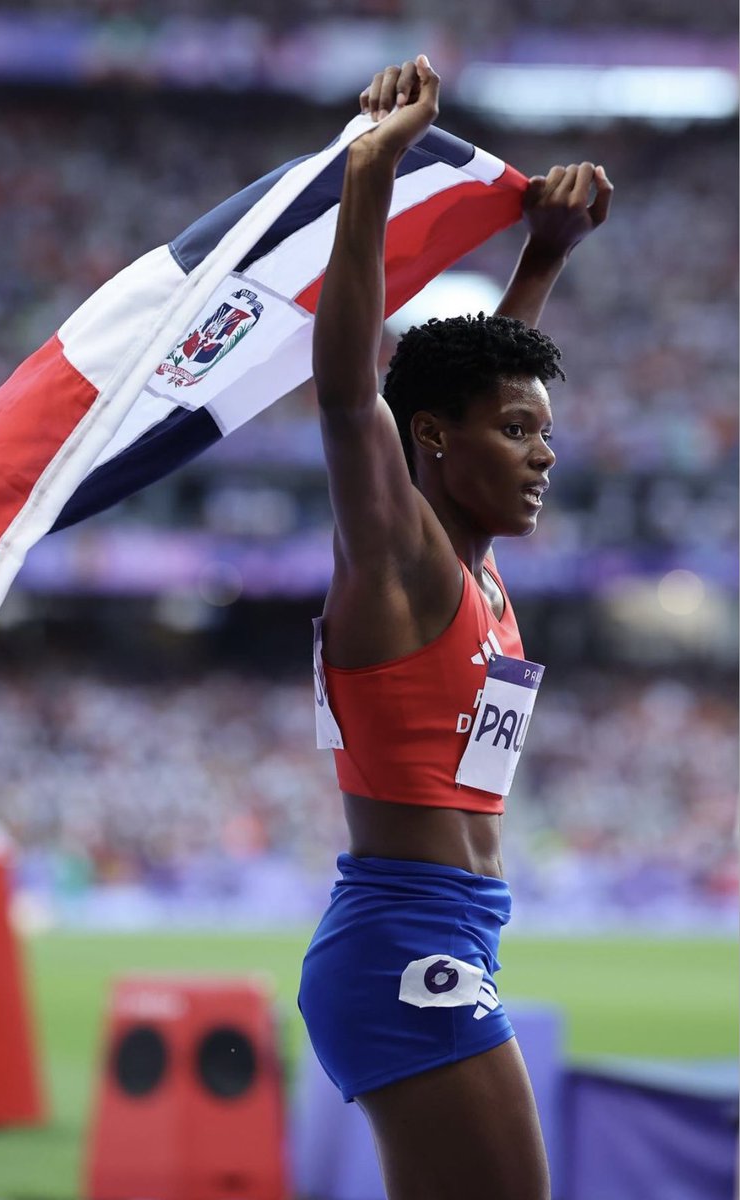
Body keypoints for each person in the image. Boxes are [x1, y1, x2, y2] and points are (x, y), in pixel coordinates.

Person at [298, 56, 613, 1200]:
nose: (544, 453)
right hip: (404, 947)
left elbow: (478, 384)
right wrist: (370, 169)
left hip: (443, 936)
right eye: (519, 435)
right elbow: (351, 397)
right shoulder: (399, 563)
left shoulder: (468, 568)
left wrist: (543, 256)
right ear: (428, 442)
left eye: (546, 433)